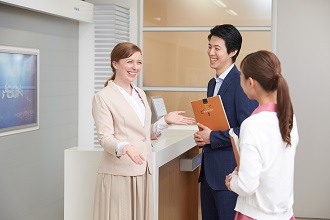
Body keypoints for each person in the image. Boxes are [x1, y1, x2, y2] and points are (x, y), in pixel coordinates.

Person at [92, 42, 195, 220]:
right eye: (130, 61)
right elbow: (104, 138)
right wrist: (125, 147)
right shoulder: (103, 97)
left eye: (139, 62)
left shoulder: (139, 93)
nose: (135, 67)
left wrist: (165, 121)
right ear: (115, 64)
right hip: (120, 173)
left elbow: (143, 133)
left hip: (143, 169)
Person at [194, 24, 258, 220]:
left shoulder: (241, 83)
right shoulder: (212, 83)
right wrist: (203, 136)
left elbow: (247, 129)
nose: (211, 52)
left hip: (228, 173)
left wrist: (212, 137)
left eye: (216, 48)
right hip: (208, 174)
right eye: (209, 46)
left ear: (233, 51)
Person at [225, 50, 299, 220]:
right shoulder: (290, 119)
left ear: (250, 82)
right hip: (285, 213)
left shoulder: (252, 125)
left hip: (256, 214)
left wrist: (232, 180)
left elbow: (246, 186)